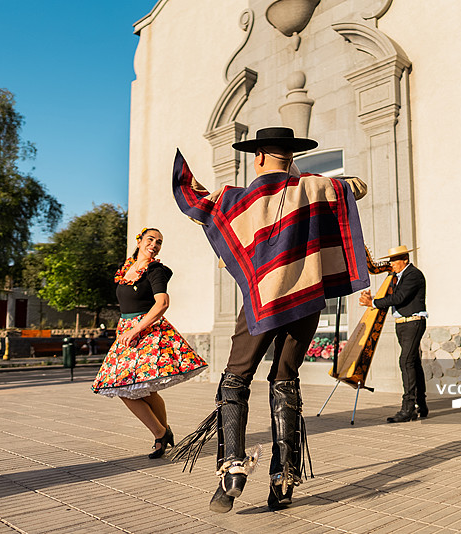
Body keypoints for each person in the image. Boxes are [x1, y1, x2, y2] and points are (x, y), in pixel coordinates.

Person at [172, 127, 370, 512]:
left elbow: (197, 204)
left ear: (259, 156)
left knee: (235, 379)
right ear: (292, 157)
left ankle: (232, 470)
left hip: (262, 303)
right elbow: (356, 186)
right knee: (285, 380)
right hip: (307, 301)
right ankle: (283, 481)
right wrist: (310, 180)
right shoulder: (315, 188)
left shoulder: (239, 199)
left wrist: (182, 175)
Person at [91, 228, 207, 459]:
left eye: (159, 242)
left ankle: (159, 434)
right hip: (126, 333)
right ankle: (163, 433)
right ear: (139, 241)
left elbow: (162, 303)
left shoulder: (156, 270)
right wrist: (125, 328)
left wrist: (135, 329)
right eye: (150, 240)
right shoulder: (126, 270)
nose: (154, 245)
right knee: (129, 388)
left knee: (129, 388)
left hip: (146, 331)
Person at [359, 245, 428, 422]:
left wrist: (373, 302)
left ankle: (408, 409)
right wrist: (374, 299)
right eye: (390, 260)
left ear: (405, 259)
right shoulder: (399, 277)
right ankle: (421, 404)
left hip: (413, 322)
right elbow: (394, 298)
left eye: (394, 260)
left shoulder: (413, 275)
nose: (391, 264)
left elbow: (399, 298)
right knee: (413, 362)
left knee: (405, 361)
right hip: (403, 324)